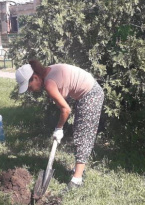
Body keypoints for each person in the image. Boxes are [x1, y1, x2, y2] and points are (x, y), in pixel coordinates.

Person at [15, 60, 104, 191]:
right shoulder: (48, 71)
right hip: (86, 94)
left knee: (84, 134)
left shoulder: (49, 83)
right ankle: (78, 170)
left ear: (35, 77)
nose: (30, 90)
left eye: (29, 86)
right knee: (79, 131)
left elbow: (66, 109)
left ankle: (77, 180)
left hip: (91, 95)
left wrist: (59, 128)